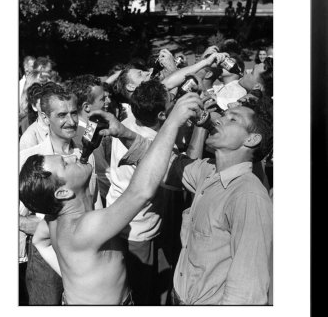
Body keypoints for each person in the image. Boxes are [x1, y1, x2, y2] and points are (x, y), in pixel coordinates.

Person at [19, 93, 202, 305]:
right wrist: (172, 122)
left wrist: (73, 272)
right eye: (66, 164)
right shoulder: (86, 227)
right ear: (62, 193)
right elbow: (141, 191)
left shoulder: (53, 220)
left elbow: (41, 242)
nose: (73, 156)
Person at [115, 99, 273, 305]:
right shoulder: (209, 171)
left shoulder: (248, 197)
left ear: (252, 139)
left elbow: (246, 291)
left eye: (233, 119)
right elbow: (167, 163)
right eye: (224, 114)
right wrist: (123, 132)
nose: (219, 120)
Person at [19, 89, 101, 305]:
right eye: (62, 115)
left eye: (74, 113)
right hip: (46, 255)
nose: (71, 121)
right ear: (45, 118)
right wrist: (40, 227)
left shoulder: (86, 155)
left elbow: (94, 201)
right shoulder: (28, 158)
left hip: (85, 253)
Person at [106, 79, 173, 304]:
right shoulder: (157, 144)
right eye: (172, 101)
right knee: (142, 294)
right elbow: (175, 178)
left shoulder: (130, 120)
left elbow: (166, 85)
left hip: (118, 219)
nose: (175, 99)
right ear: (162, 116)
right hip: (139, 230)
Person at [65, 74, 111, 205]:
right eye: (103, 99)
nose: (108, 101)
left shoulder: (91, 127)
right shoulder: (81, 138)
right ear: (86, 107)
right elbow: (100, 175)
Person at [20, 82, 64, 150]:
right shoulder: (29, 138)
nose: (48, 107)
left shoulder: (64, 127)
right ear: (34, 106)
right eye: (42, 104)